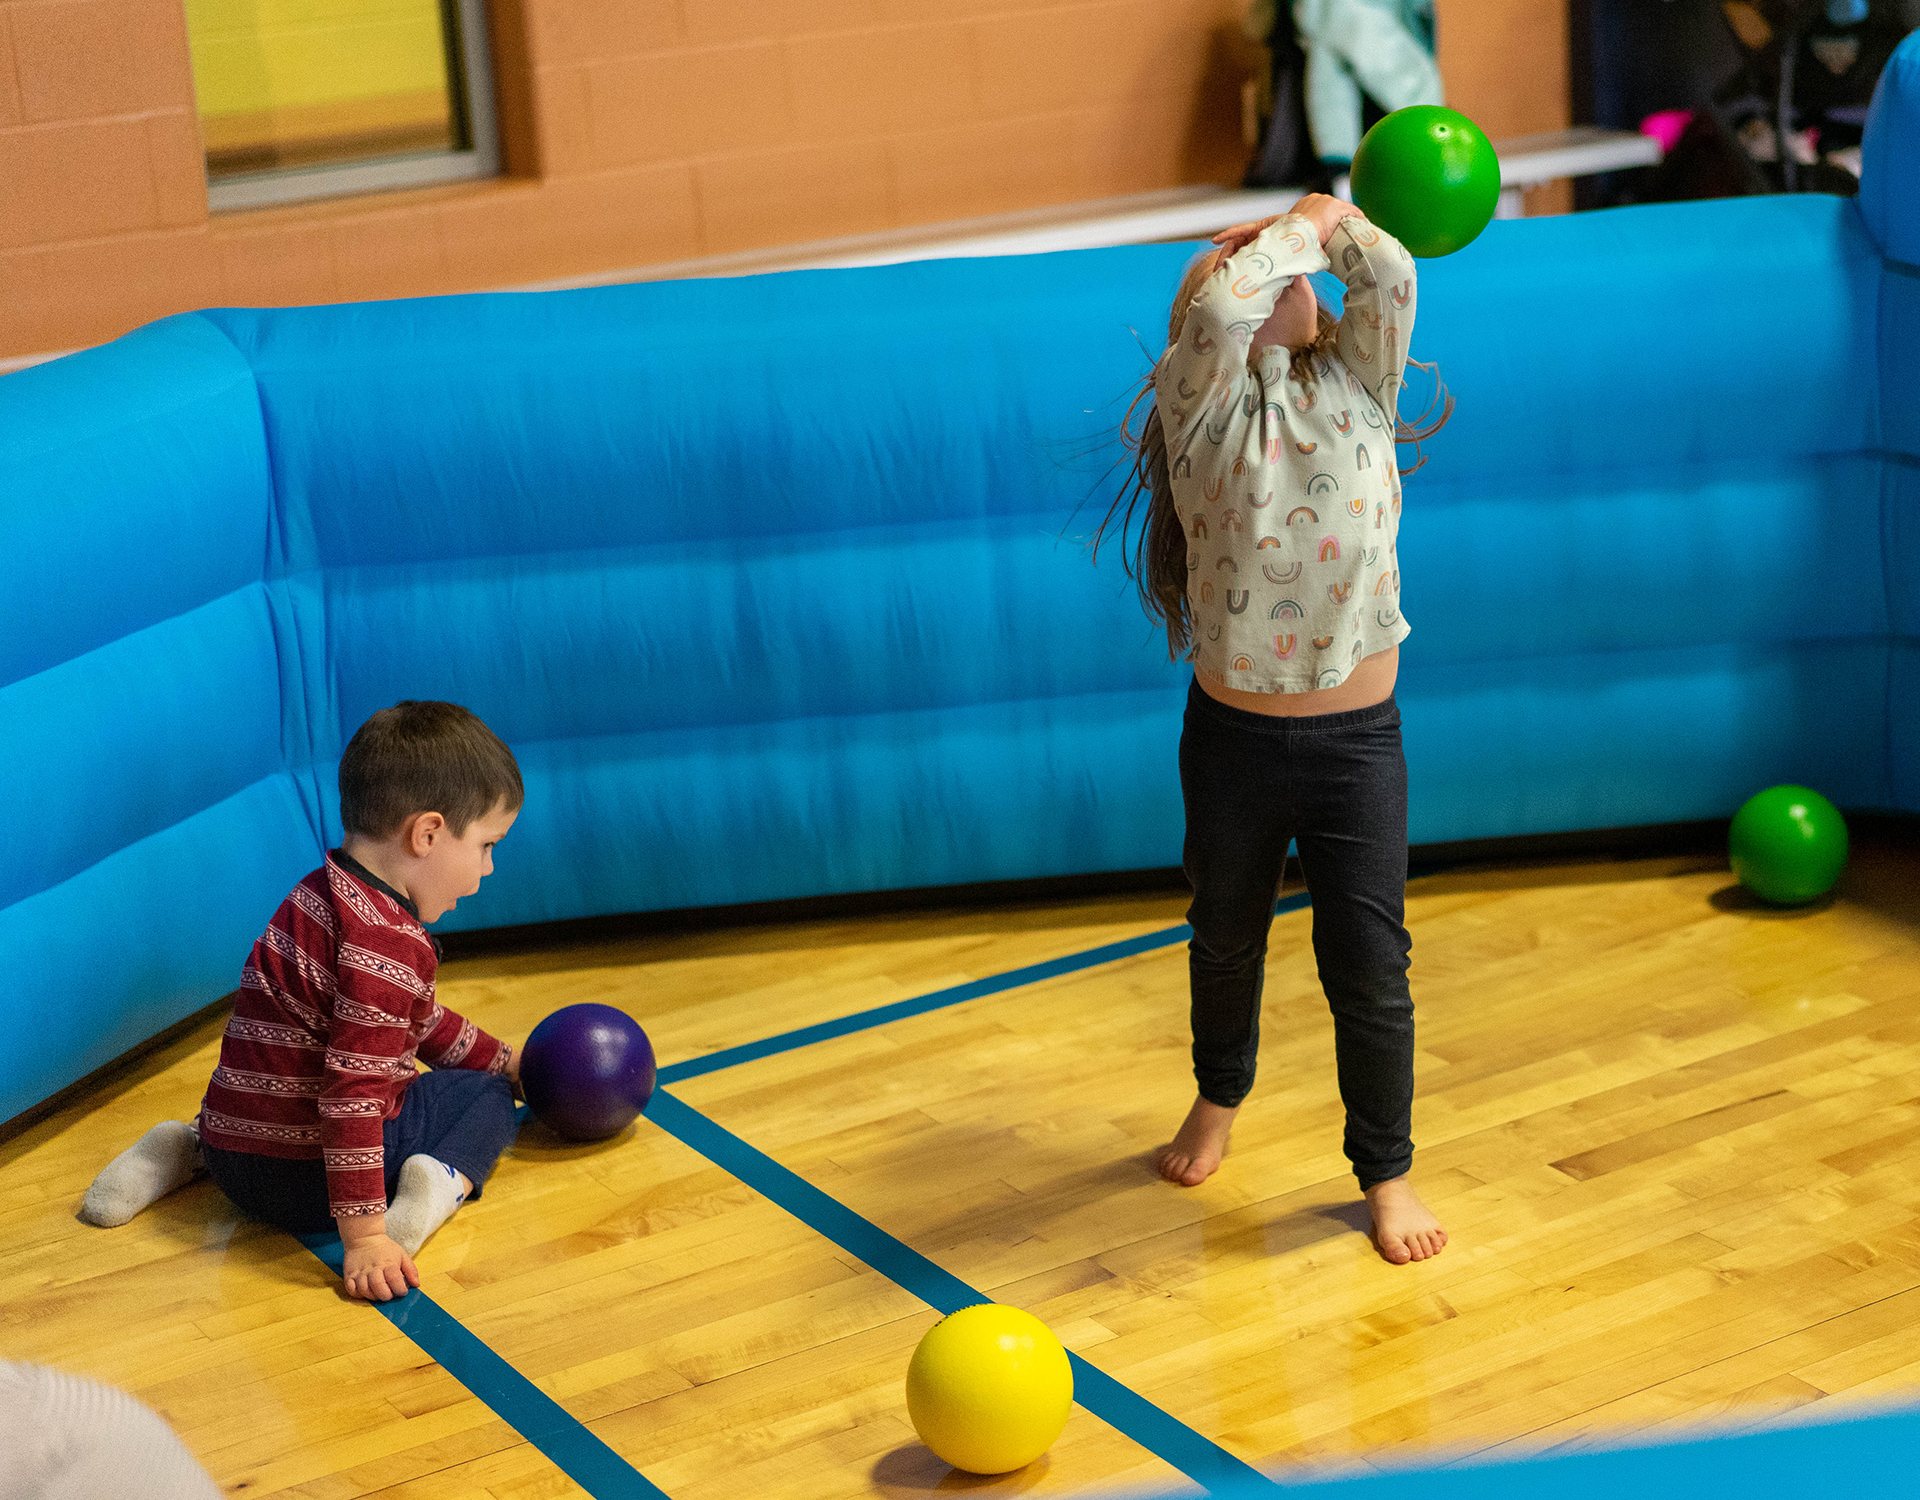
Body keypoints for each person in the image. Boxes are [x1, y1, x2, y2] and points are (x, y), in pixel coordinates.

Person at [1084, 193, 1451, 1264]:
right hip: (1236, 745)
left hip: (1357, 749)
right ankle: (1218, 1095)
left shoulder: (1361, 386)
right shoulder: (1199, 411)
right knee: (1226, 931)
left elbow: (1388, 277)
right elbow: (1214, 319)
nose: (1298, 282)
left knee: (1371, 967)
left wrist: (1326, 222)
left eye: (1303, 274)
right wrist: (1278, 236)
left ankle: (1386, 1172)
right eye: (1266, 276)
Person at [80, 701, 525, 1301]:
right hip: (311, 1186)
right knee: (485, 1097)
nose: (489, 868)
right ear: (428, 834)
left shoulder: (312, 896)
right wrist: (365, 1237)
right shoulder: (390, 944)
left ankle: (185, 1148)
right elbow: (353, 1098)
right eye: (487, 845)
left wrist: (504, 1055)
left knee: (276, 1075)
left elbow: (416, 1024)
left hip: (235, 1157)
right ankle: (438, 1183)